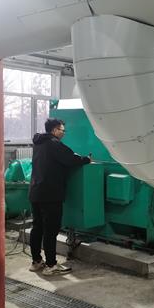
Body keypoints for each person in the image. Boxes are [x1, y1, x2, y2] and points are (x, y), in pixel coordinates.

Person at [28, 118, 91, 276]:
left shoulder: (38, 143)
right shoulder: (54, 144)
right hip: (50, 194)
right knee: (51, 230)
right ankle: (51, 265)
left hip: (36, 192)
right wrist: (86, 160)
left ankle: (36, 261)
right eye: (62, 130)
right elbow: (70, 159)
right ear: (55, 130)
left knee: (37, 228)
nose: (63, 133)